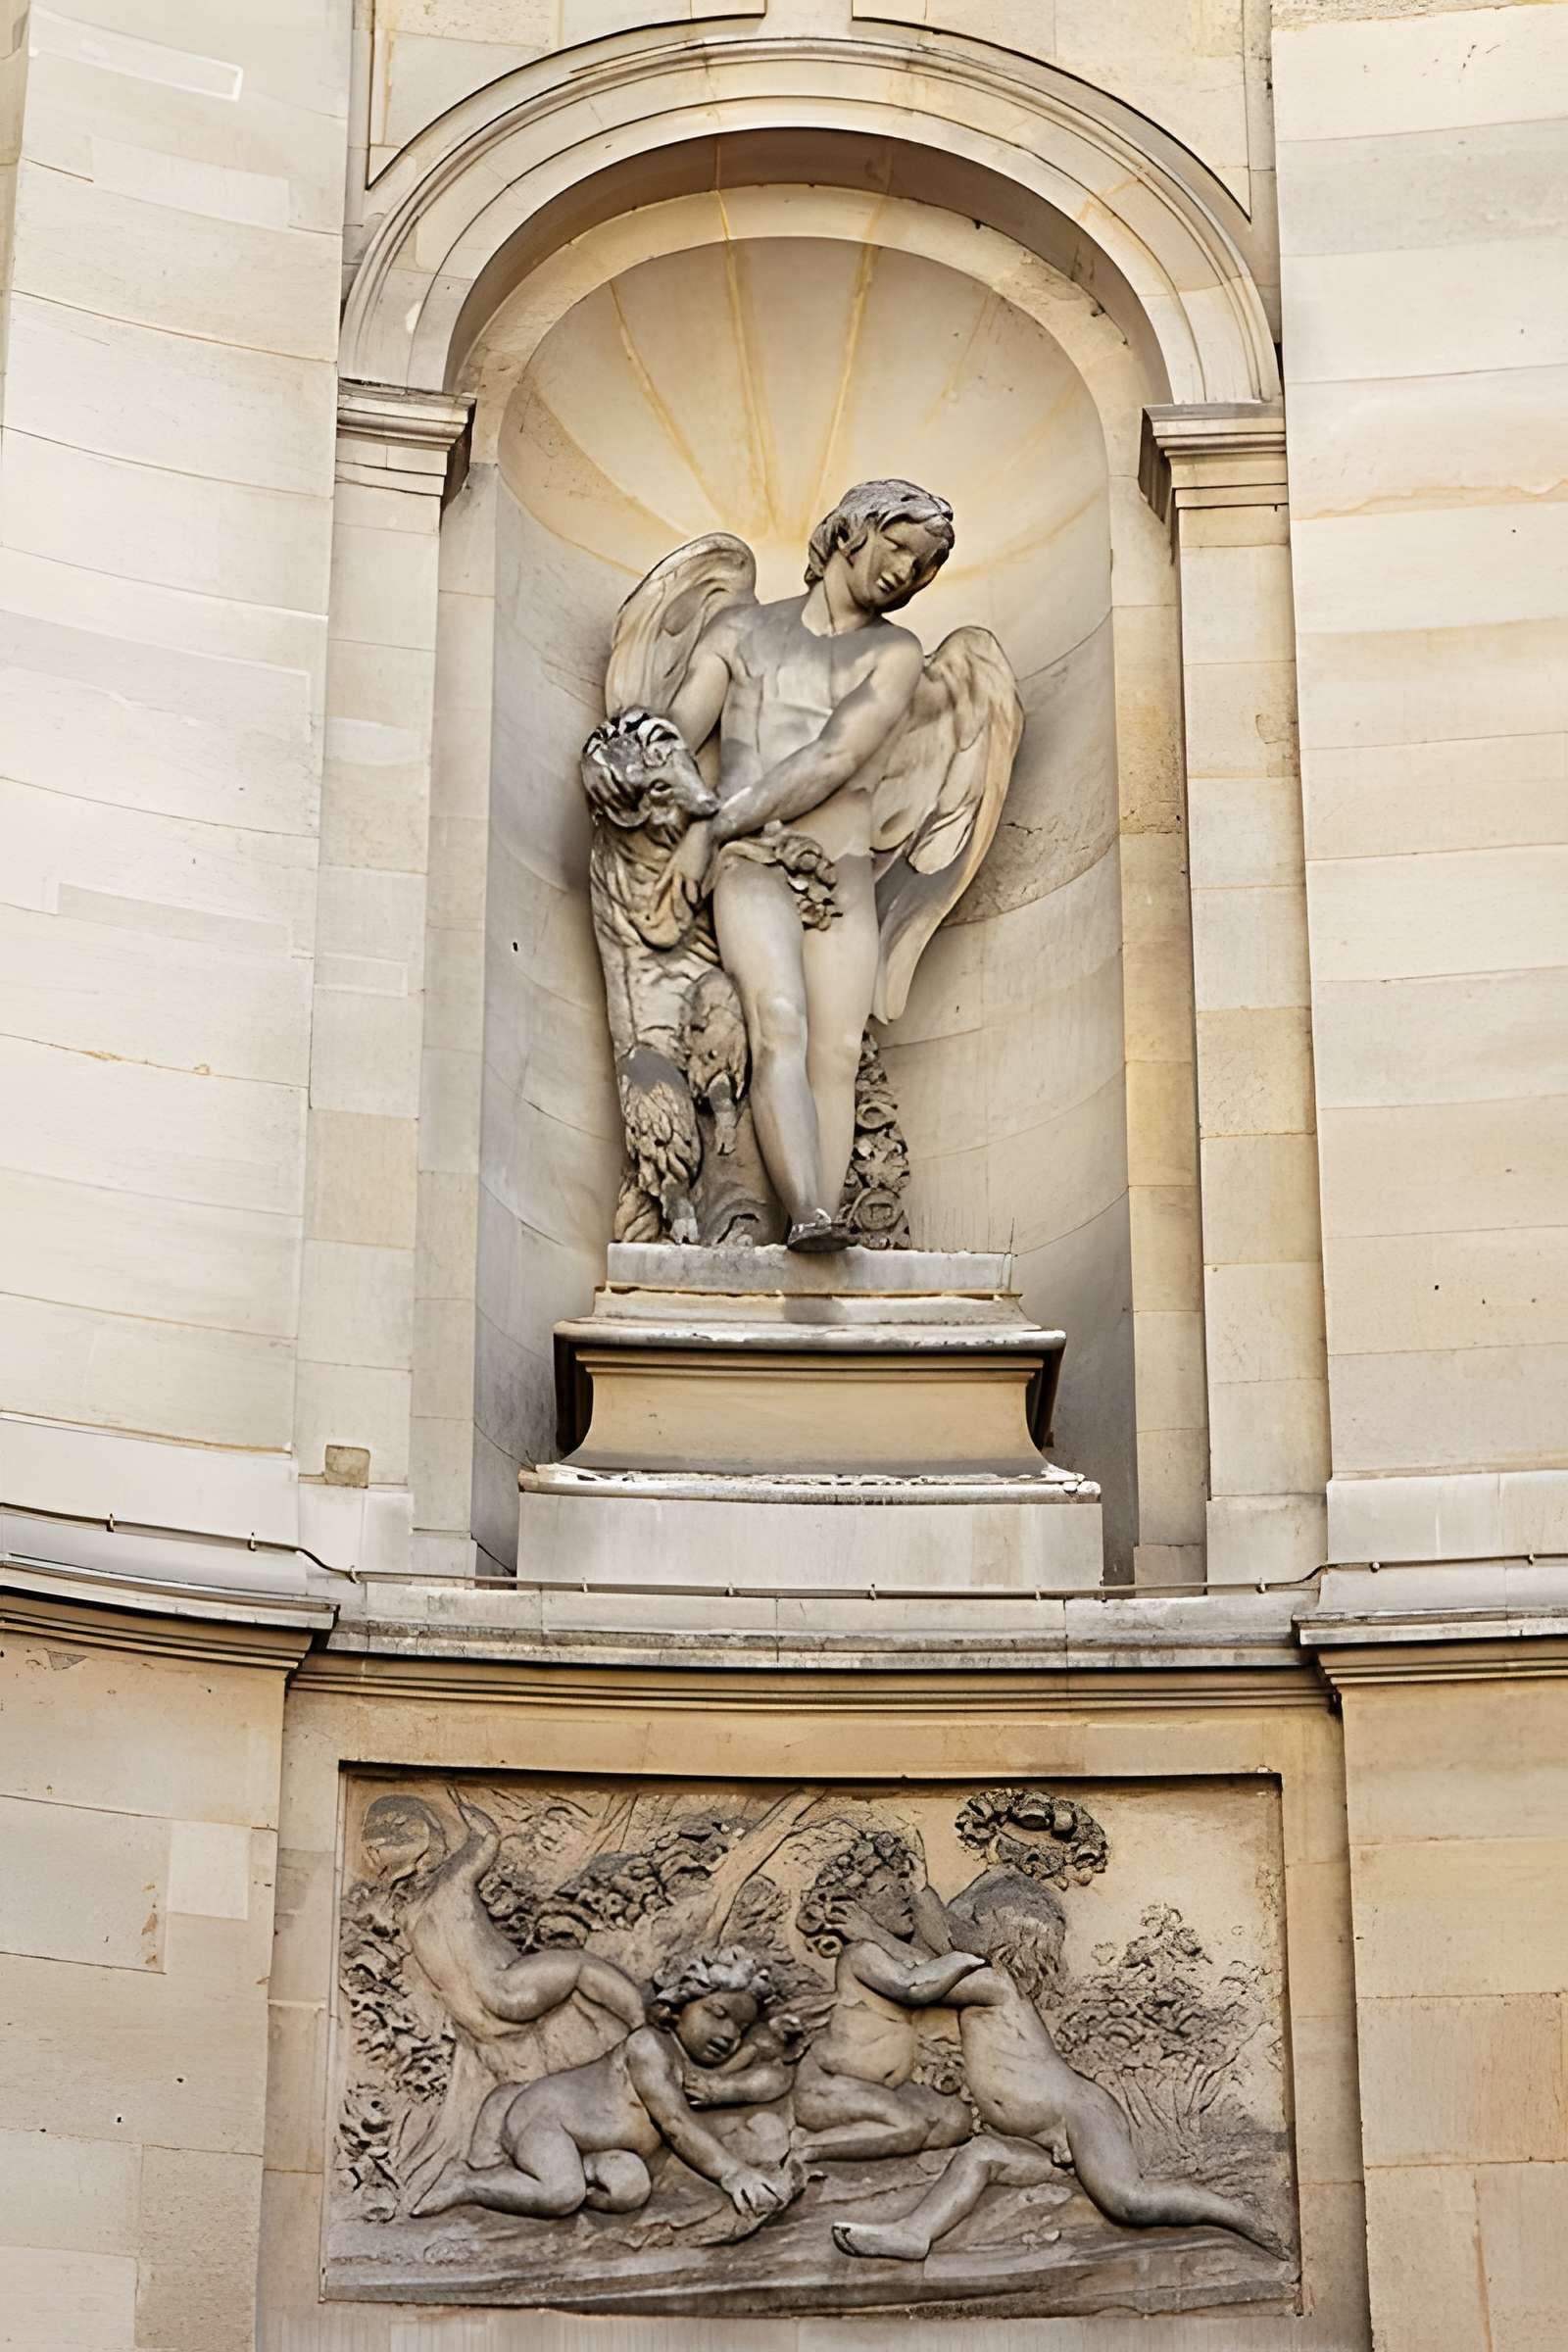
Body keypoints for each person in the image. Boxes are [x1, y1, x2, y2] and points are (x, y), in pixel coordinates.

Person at [666, 480, 955, 1249]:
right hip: (753, 862)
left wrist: (712, 825)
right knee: (780, 1022)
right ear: (854, 530)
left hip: (841, 868)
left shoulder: (895, 652)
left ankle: (818, 1225)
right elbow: (675, 737)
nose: (905, 571)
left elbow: (834, 757)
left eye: (922, 567)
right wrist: (655, 782)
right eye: (898, 546)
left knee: (835, 1050)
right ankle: (808, 1214)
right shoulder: (738, 631)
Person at [830, 1875, 1288, 2263]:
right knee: (979, 2156)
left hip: (1078, 2115)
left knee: (1128, 2200)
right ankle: (914, 2234)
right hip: (1037, 2135)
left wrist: (870, 1929)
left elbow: (918, 1980)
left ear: (999, 1940)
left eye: (975, 1922)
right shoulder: (985, 1981)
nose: (958, 1930)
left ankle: (1244, 2216)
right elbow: (928, 1966)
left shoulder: (995, 1985)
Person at [409, 1946, 798, 2225]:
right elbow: (676, 2124)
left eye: (742, 2027)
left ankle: (577, 2172)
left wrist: (774, 2041)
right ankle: (467, 2182)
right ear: (675, 2007)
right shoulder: (650, 2047)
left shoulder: (690, 2068)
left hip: (593, 2149)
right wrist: (733, 2173)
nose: (729, 2033)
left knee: (630, 2188)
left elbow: (766, 2081)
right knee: (562, 2193)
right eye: (718, 2013)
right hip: (547, 2121)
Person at [359, 1791, 646, 2059]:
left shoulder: (405, 1914)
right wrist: (461, 1802)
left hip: (476, 2024)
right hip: (506, 1991)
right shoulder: (451, 1881)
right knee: (581, 1966)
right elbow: (487, 1837)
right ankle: (642, 2024)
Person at [790, 1831, 983, 2163]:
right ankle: (802, 2149)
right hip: (832, 2087)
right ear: (852, 1911)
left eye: (902, 1885)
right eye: (886, 1890)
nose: (903, 1896)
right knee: (908, 2126)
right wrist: (962, 1960)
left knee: (955, 2119)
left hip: (882, 2091)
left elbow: (923, 1961)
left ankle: (876, 2142)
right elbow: (913, 1985)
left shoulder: (890, 1950)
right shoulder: (861, 1953)